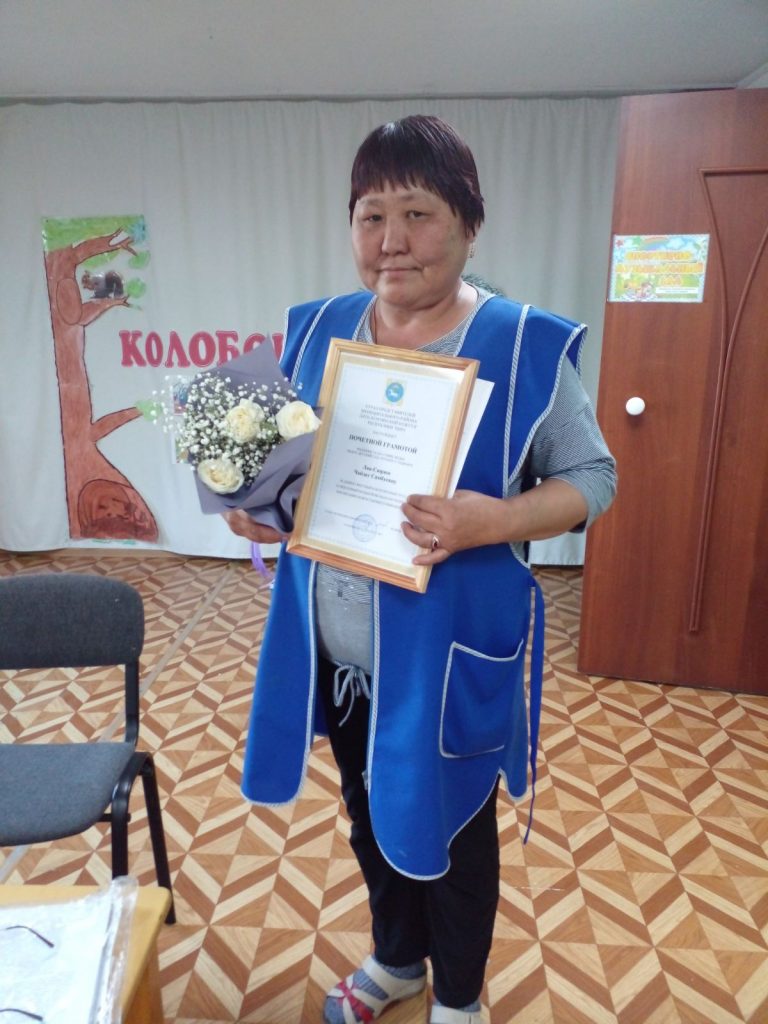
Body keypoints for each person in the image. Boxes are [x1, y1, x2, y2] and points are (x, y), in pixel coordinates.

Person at [225, 115, 616, 1024]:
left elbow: (593, 477)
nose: (391, 240)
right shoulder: (316, 329)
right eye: (370, 216)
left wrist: (497, 519)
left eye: (418, 213)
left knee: (453, 832)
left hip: (449, 662)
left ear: (469, 224)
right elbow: (285, 477)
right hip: (341, 657)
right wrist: (259, 509)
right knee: (370, 816)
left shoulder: (521, 343)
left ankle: (461, 999)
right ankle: (398, 961)